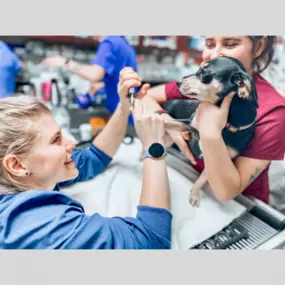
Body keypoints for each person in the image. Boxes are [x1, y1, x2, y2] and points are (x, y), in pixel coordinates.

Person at [0, 68, 172, 249]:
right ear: (17, 165)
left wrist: (123, 106)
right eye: (56, 140)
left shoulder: (26, 177)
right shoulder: (38, 225)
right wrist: (154, 148)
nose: (72, 144)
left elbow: (94, 158)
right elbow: (151, 242)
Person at [142, 36, 285, 204]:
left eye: (230, 44)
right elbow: (144, 96)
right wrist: (166, 121)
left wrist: (210, 134)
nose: (215, 54)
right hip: (187, 177)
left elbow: (226, 192)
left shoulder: (273, 112)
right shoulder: (203, 81)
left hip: (242, 206)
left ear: (259, 46)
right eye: (209, 44)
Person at [42, 36, 137, 125]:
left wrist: (64, 62)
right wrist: (102, 85)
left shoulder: (109, 42)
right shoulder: (124, 44)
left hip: (121, 114)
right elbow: (121, 75)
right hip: (131, 111)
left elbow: (95, 74)